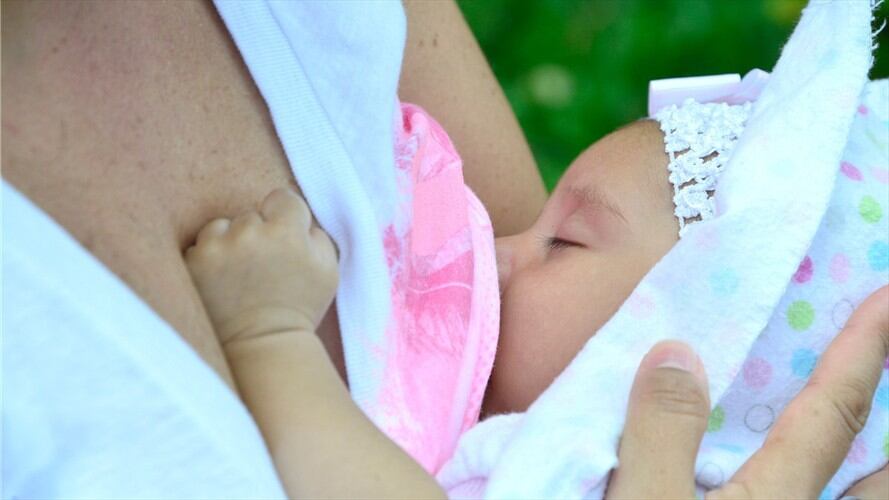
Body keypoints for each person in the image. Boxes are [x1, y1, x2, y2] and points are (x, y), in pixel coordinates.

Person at [2, 0, 885, 498]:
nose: (492, 246)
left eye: (565, 239)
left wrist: (269, 340)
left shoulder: (580, 469)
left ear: (709, 362)